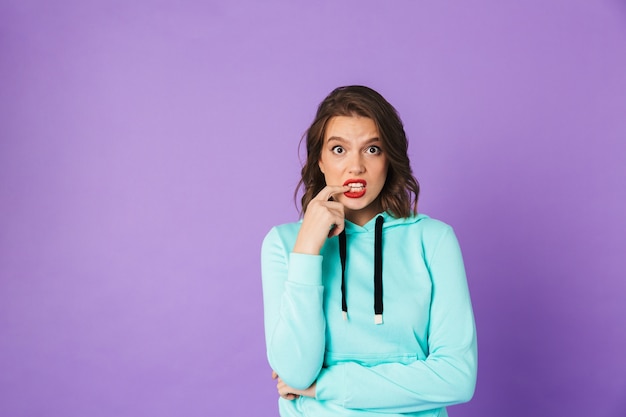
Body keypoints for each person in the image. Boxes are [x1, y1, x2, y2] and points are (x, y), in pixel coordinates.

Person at [261, 85, 477, 417]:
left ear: (389, 157)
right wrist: (306, 249)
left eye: (372, 149)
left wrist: (325, 386)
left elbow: (457, 378)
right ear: (319, 159)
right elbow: (295, 372)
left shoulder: (433, 240)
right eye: (338, 150)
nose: (356, 167)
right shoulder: (284, 244)